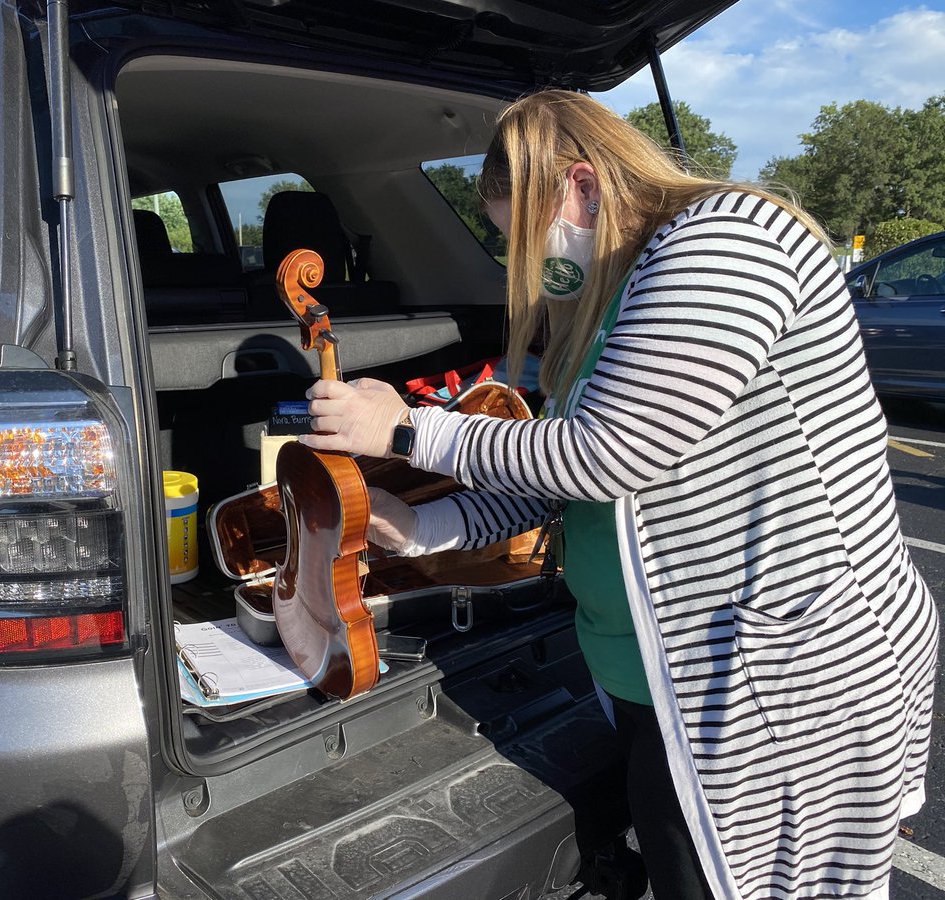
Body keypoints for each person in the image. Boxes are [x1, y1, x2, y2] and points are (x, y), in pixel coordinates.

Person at [300, 90, 938, 900]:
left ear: (584, 186)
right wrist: (423, 524)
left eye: (523, 237)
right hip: (668, 684)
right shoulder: (623, 291)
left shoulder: (727, 242)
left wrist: (406, 430)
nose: (525, 265)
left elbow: (609, 455)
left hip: (773, 688)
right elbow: (560, 479)